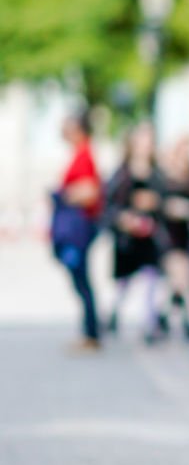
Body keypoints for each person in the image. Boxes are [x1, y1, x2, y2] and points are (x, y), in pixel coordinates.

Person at [104, 121, 168, 344]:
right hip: (128, 237)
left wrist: (155, 203)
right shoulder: (122, 173)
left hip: (149, 236)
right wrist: (124, 218)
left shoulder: (156, 173)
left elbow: (164, 200)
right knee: (124, 281)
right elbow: (110, 205)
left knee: (151, 278)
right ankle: (113, 312)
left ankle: (150, 323)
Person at [51, 110, 103, 351]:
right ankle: (90, 331)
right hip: (79, 225)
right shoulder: (80, 153)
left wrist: (63, 195)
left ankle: (91, 333)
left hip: (79, 227)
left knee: (81, 279)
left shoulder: (84, 154)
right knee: (81, 279)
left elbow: (90, 191)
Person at [157, 136, 189, 341]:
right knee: (181, 277)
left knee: (180, 281)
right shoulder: (165, 178)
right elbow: (158, 204)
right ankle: (185, 321)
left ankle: (164, 315)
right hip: (170, 236)